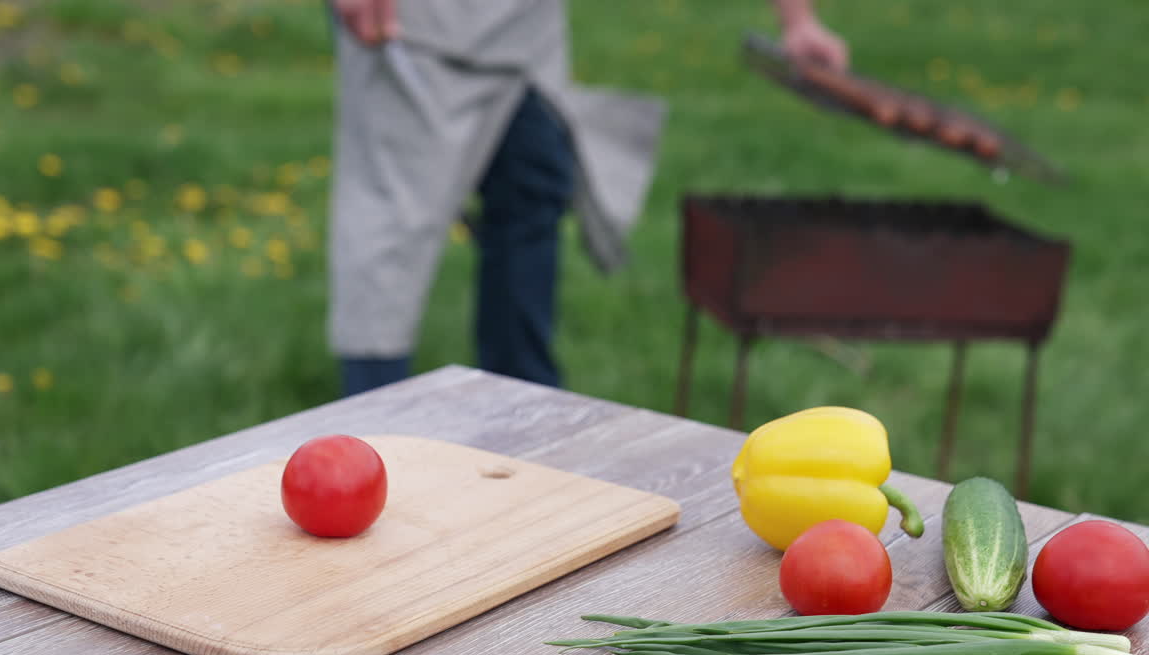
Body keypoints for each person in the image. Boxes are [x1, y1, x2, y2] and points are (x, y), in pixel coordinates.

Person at [328, 0, 847, 396]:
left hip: (525, 29)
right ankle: (370, 430)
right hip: (414, 23)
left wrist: (796, 20)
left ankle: (519, 412)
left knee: (533, 189)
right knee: (392, 223)